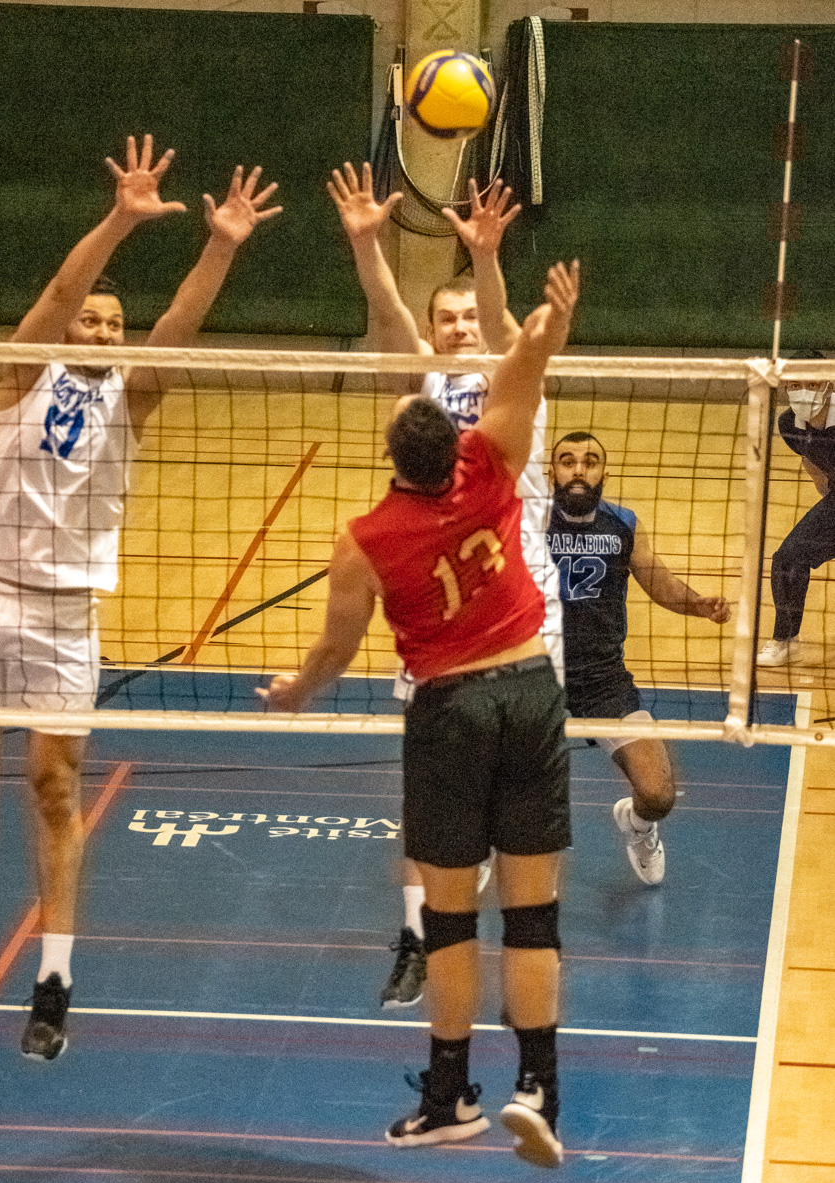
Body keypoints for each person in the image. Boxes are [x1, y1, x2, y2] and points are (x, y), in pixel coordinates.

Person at [0, 137, 281, 1059]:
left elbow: (178, 326)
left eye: (113, 324)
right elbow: (53, 297)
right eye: (91, 322)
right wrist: (122, 220)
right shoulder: (21, 378)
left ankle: (53, 979)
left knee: (53, 787)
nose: (102, 332)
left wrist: (220, 246)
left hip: (64, 616)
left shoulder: (129, 401)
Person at [259, 260, 580, 1169]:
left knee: (447, 920)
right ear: (456, 441)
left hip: (449, 714)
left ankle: (449, 1098)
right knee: (533, 916)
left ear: (392, 456)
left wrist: (294, 692)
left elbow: (333, 649)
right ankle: (540, 1089)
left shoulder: (364, 539)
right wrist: (545, 325)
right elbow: (521, 369)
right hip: (530, 694)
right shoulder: (492, 464)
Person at [327, 162, 563, 1005]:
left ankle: (503, 934)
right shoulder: (421, 389)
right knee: (430, 787)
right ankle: (417, 935)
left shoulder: (508, 377)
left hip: (524, 607)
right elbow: (391, 320)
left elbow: (507, 330)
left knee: (512, 793)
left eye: (467, 317)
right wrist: (366, 246)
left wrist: (488, 257)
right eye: (449, 318)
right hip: (437, 609)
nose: (461, 328)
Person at [547, 431, 731, 884]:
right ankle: (486, 850)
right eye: (567, 460)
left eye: (589, 461)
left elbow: (659, 583)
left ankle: (637, 824)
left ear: (603, 472)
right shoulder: (526, 520)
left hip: (603, 679)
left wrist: (697, 604)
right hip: (534, 674)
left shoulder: (623, 523)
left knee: (659, 793)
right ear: (552, 471)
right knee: (495, 778)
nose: (578, 469)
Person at [756, 372, 835, 666]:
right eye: (794, 385)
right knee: (788, 558)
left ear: (830, 386)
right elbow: (812, 462)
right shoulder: (789, 424)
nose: (803, 392)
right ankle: (786, 640)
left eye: (812, 384)